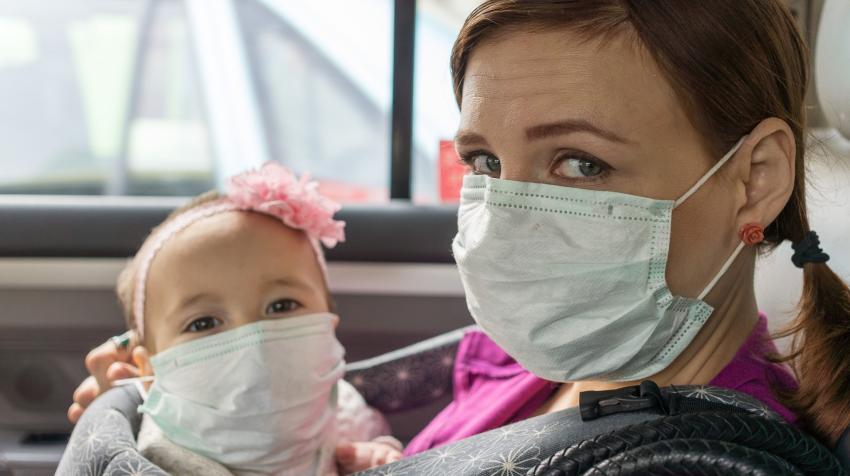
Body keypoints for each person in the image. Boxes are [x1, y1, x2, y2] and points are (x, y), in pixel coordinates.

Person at [72, 0, 850, 462]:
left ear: (754, 179)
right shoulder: (539, 359)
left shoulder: (697, 460)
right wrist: (202, 418)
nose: (505, 217)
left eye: (580, 164)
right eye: (484, 160)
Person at [89, 162, 401, 475]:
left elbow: (373, 443)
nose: (255, 339)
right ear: (148, 371)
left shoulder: (342, 410)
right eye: (203, 324)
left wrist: (372, 455)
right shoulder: (147, 460)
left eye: (282, 306)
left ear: (329, 320)